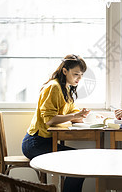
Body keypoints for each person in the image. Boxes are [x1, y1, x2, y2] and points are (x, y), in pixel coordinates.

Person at [22, 54, 90, 192]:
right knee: (79, 162)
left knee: (80, 161)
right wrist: (75, 115)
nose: (79, 78)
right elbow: (49, 120)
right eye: (76, 74)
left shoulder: (66, 88)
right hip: (35, 143)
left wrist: (85, 116)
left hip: (46, 141)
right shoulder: (54, 87)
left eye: (81, 74)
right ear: (65, 71)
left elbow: (70, 112)